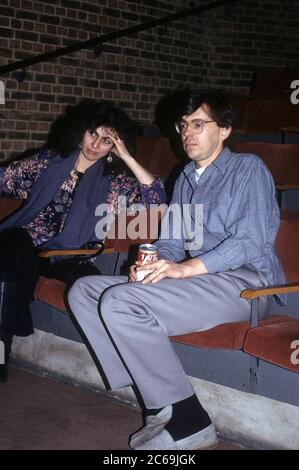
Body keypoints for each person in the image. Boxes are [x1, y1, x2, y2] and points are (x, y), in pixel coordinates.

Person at [67, 90, 286, 450]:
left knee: (120, 303)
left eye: (199, 124)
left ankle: (189, 420)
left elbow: (251, 241)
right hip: (201, 282)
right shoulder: (184, 177)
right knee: (85, 291)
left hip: (245, 285)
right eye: (183, 125)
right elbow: (170, 240)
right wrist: (152, 262)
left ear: (225, 129)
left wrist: (185, 269)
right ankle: (154, 396)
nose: (187, 132)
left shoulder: (248, 168)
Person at [0, 99, 166, 382]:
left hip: (70, 255)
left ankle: (127, 369)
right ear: (80, 130)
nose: (95, 145)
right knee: (12, 247)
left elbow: (158, 200)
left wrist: (126, 157)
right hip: (25, 247)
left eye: (106, 141)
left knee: (91, 283)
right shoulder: (47, 162)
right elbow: (4, 178)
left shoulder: (115, 183)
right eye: (92, 133)